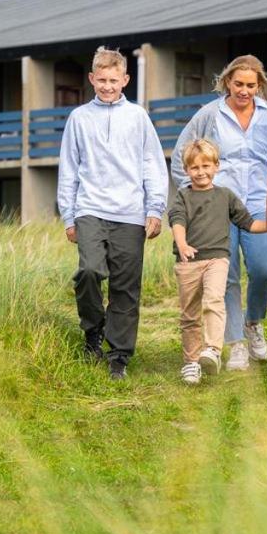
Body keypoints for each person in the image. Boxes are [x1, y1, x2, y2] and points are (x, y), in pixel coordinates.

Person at [57, 45, 167, 381]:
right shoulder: (79, 118)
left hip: (130, 213)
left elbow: (152, 163)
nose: (107, 85)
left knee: (125, 286)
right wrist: (68, 215)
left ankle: (118, 354)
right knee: (89, 271)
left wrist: (155, 208)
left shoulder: (138, 117)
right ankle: (93, 331)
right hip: (90, 208)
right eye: (101, 79)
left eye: (113, 80)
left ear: (125, 80)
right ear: (92, 79)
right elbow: (69, 168)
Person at [170, 55, 267, 371]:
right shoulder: (209, 115)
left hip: (260, 202)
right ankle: (235, 343)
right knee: (226, 275)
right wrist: (196, 197)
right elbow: (181, 155)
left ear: (260, 86)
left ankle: (253, 323)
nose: (244, 91)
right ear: (227, 82)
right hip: (219, 207)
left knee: (263, 270)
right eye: (238, 84)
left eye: (251, 85)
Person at [168, 138, 267, 384]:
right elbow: (177, 221)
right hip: (188, 262)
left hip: (217, 260)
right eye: (195, 168)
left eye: (206, 166)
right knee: (189, 314)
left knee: (214, 300)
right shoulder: (183, 197)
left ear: (216, 166)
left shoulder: (225, 196)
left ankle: (213, 350)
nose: (201, 172)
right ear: (186, 171)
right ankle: (191, 362)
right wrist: (182, 244)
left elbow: (248, 223)